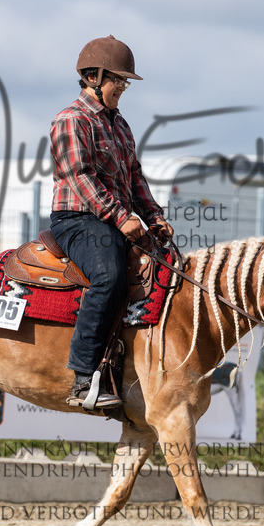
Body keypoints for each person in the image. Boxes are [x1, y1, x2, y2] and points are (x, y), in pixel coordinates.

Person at [49, 35, 173, 410]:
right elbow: (80, 176)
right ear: (92, 77)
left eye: (125, 82)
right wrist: (122, 218)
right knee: (109, 275)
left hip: (111, 220)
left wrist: (154, 217)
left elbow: (135, 178)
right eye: (117, 79)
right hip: (76, 220)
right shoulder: (70, 121)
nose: (123, 87)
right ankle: (83, 377)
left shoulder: (120, 125)